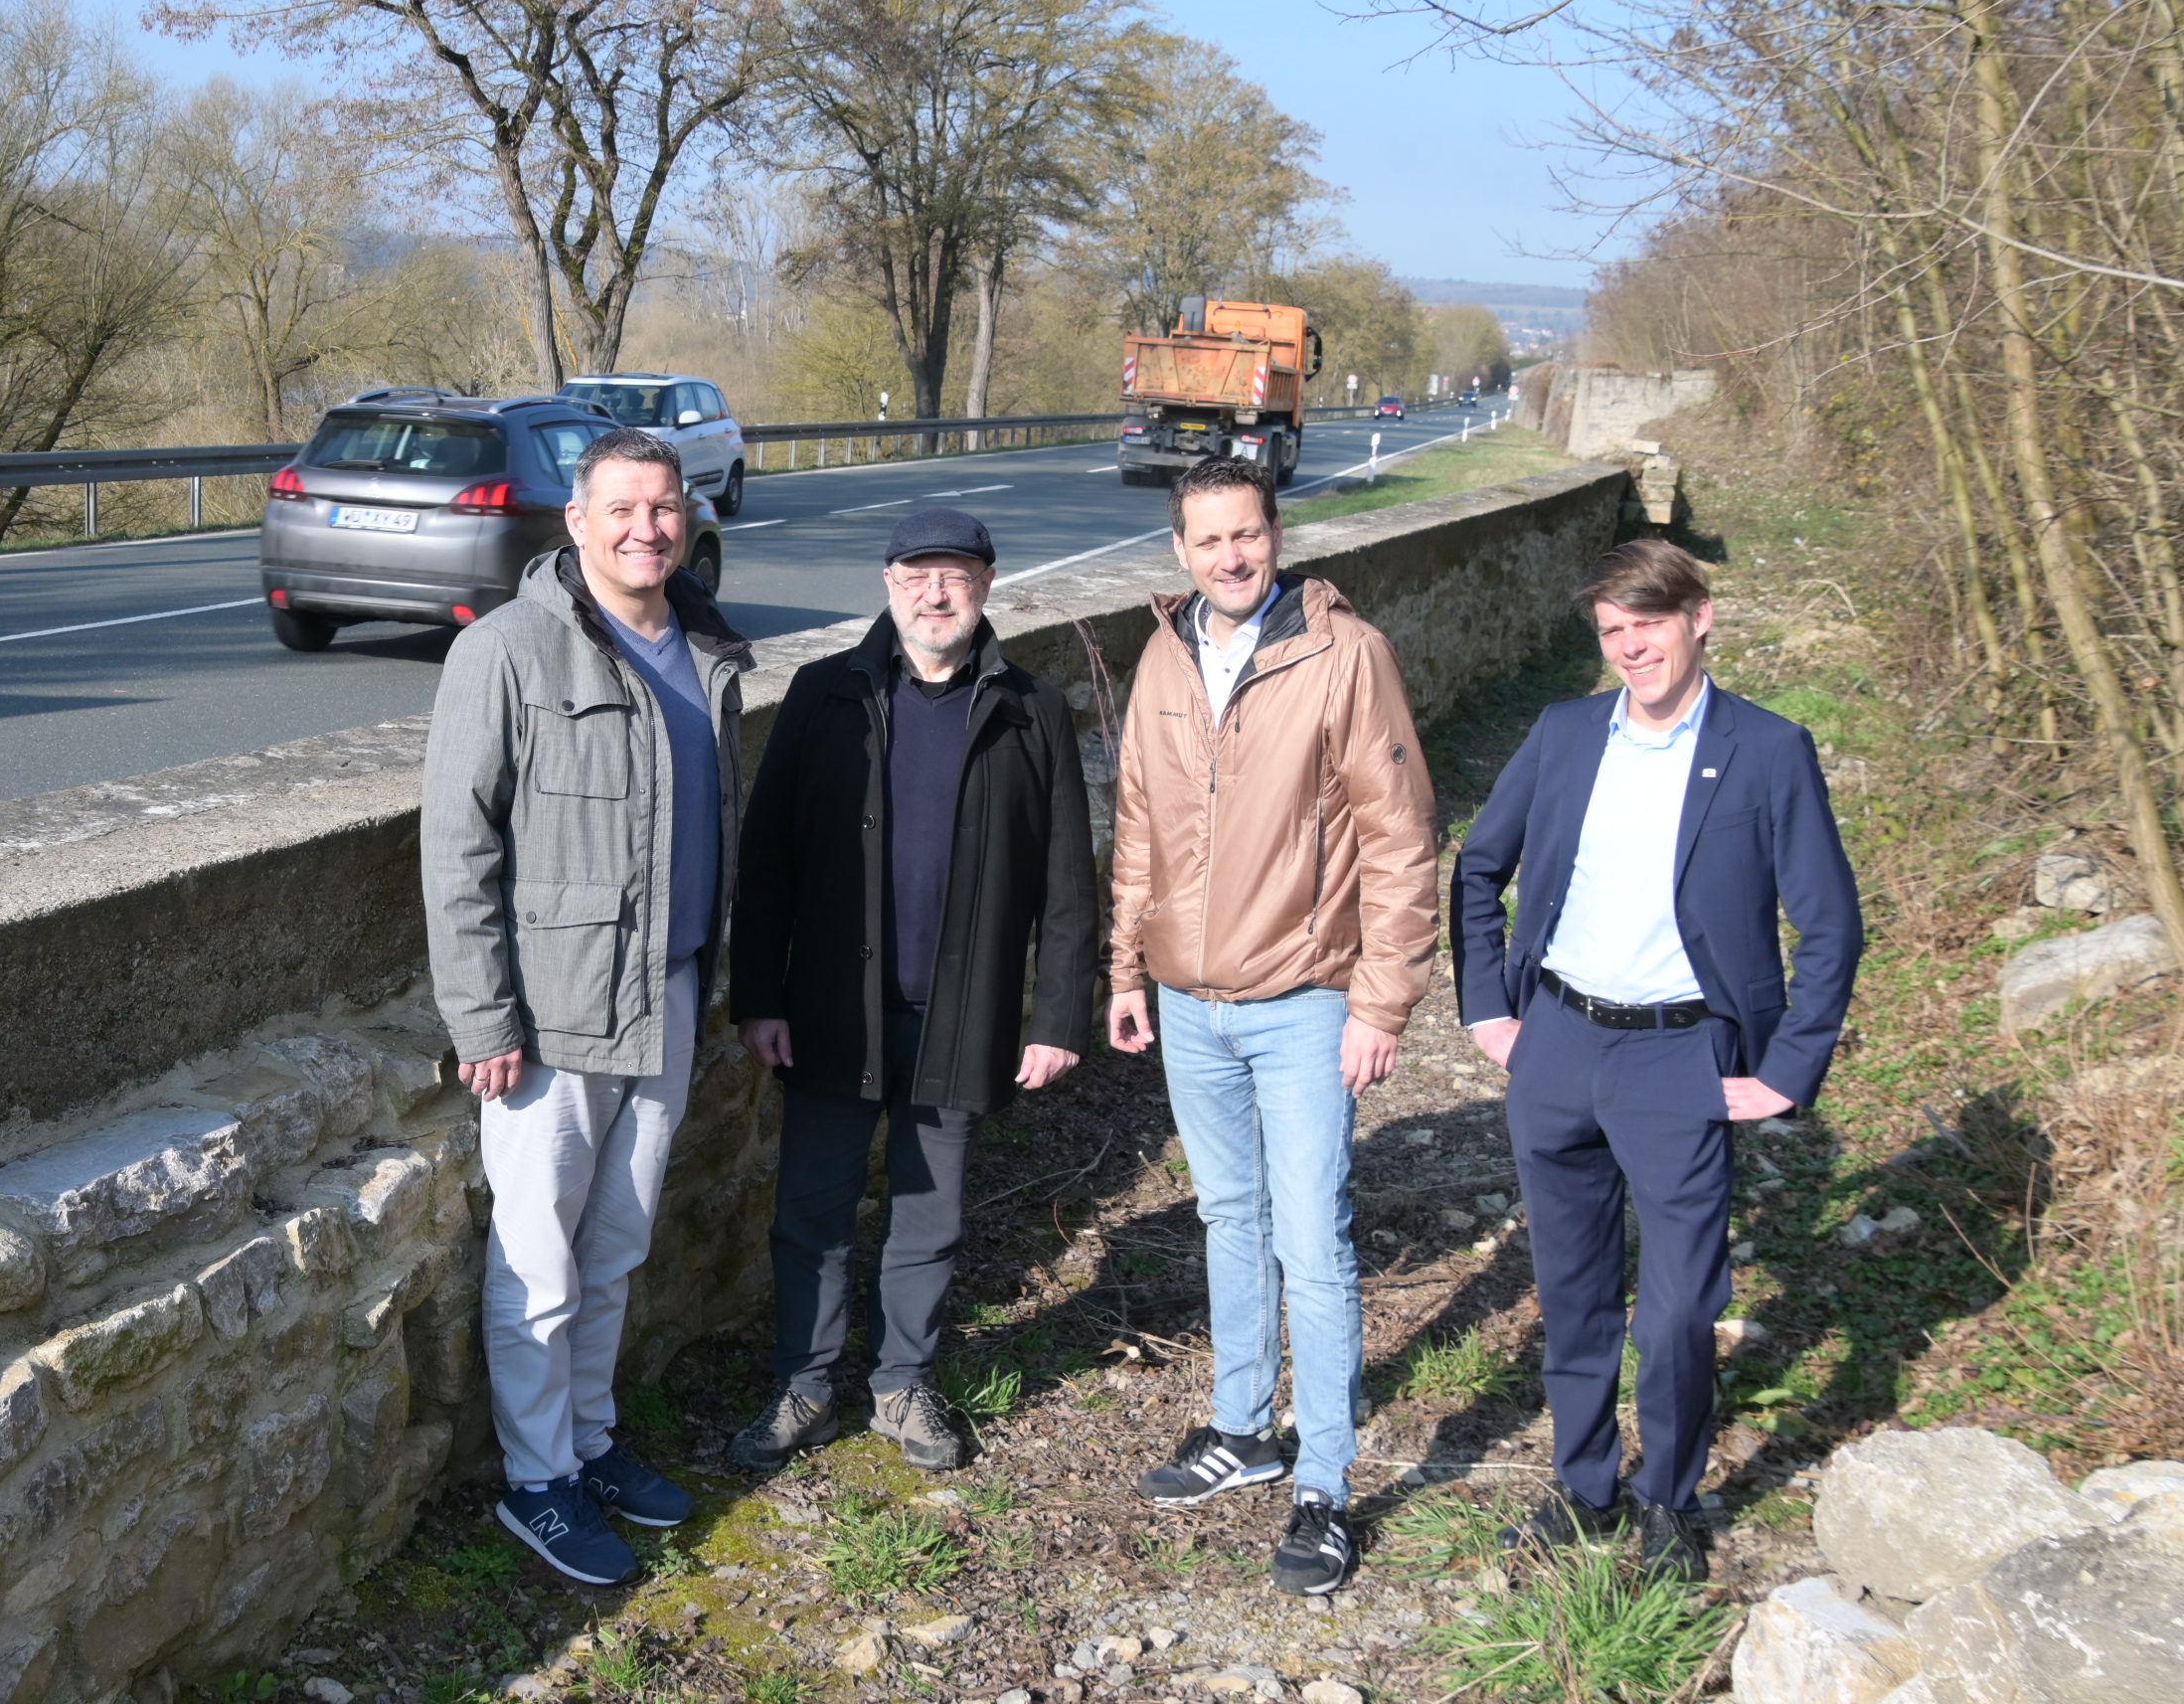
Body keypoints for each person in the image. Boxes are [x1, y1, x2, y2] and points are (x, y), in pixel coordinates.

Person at [1451, 538, 1860, 1582]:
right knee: (1572, 1288)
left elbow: (1829, 924)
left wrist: (1787, 1069)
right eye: (1612, 631)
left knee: (1678, 1308)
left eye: (1649, 624)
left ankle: (1669, 1501)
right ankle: (1585, 1487)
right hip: (1557, 1042)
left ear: (1699, 617)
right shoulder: (1564, 732)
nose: (1632, 647)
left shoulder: (1767, 749)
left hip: (1682, 1055)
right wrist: (1489, 1006)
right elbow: (1479, 865)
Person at [420, 426, 754, 1586]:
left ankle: (590, 1441)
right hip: (553, 1014)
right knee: (540, 1264)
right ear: (576, 520)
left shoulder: (705, 644)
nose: (645, 529)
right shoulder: (507, 650)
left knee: (614, 1248)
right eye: (621, 508)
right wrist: (483, 1018)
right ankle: (538, 1480)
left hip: (667, 992)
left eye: (663, 508)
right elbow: (456, 848)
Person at [1106, 458, 1440, 1598]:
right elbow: (1139, 823)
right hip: (1189, 1004)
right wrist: (1126, 967)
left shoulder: (1346, 654)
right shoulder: (1163, 654)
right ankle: (1242, 1427)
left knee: (1312, 1237)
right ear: (1180, 551)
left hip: (1304, 1000)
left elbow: (1401, 837)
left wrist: (1381, 1001)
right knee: (1228, 1217)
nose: (1230, 556)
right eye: (1208, 540)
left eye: (1246, 534)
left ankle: (1325, 1482)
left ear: (1276, 534)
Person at [726, 509, 1096, 1473]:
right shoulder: (824, 694)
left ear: (987, 584)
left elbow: (1068, 881)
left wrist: (1058, 1016)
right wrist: (760, 996)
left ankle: (902, 1383)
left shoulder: (1032, 709)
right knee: (811, 1211)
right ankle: (804, 1385)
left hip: (960, 1015)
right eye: (918, 574)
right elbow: (766, 859)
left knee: (930, 1217)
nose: (936, 593)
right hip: (830, 1011)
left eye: (955, 575)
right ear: (888, 583)